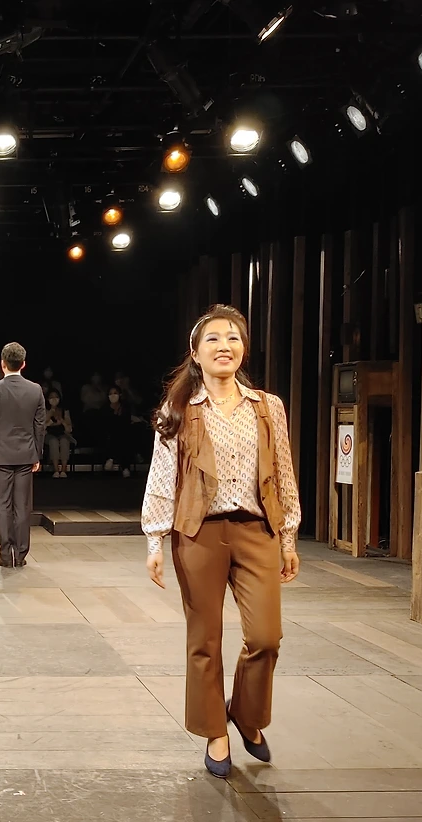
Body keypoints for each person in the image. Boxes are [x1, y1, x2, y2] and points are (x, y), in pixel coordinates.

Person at [141, 304, 302, 779]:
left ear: (243, 350)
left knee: (266, 637)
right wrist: (154, 542)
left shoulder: (267, 406)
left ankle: (246, 716)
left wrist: (288, 537)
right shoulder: (178, 410)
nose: (224, 346)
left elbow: (284, 472)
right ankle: (215, 731)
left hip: (256, 530)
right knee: (205, 639)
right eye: (212, 338)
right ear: (195, 353)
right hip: (200, 533)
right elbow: (162, 477)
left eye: (232, 338)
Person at [0, 342, 45, 567]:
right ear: (23, 364)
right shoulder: (35, 389)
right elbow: (40, 426)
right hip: (26, 455)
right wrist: (37, 454)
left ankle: (6, 555)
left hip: (0, 456)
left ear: (2, 364)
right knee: (22, 506)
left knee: (3, 506)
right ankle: (21, 555)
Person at [99, 384, 134, 476]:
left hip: (123, 433)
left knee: (123, 438)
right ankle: (124, 467)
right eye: (110, 393)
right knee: (115, 436)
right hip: (108, 434)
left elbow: (126, 422)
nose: (113, 395)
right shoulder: (104, 408)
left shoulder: (125, 407)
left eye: (115, 393)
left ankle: (112, 459)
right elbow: (104, 424)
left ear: (120, 394)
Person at [43, 390, 74, 478]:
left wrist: (62, 421)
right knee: (53, 442)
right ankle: (56, 470)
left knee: (64, 441)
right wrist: (51, 413)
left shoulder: (64, 410)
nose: (54, 399)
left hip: (62, 433)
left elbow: (69, 428)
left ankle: (63, 470)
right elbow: (42, 425)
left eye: (56, 397)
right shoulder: (44, 410)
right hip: (49, 434)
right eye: (51, 397)